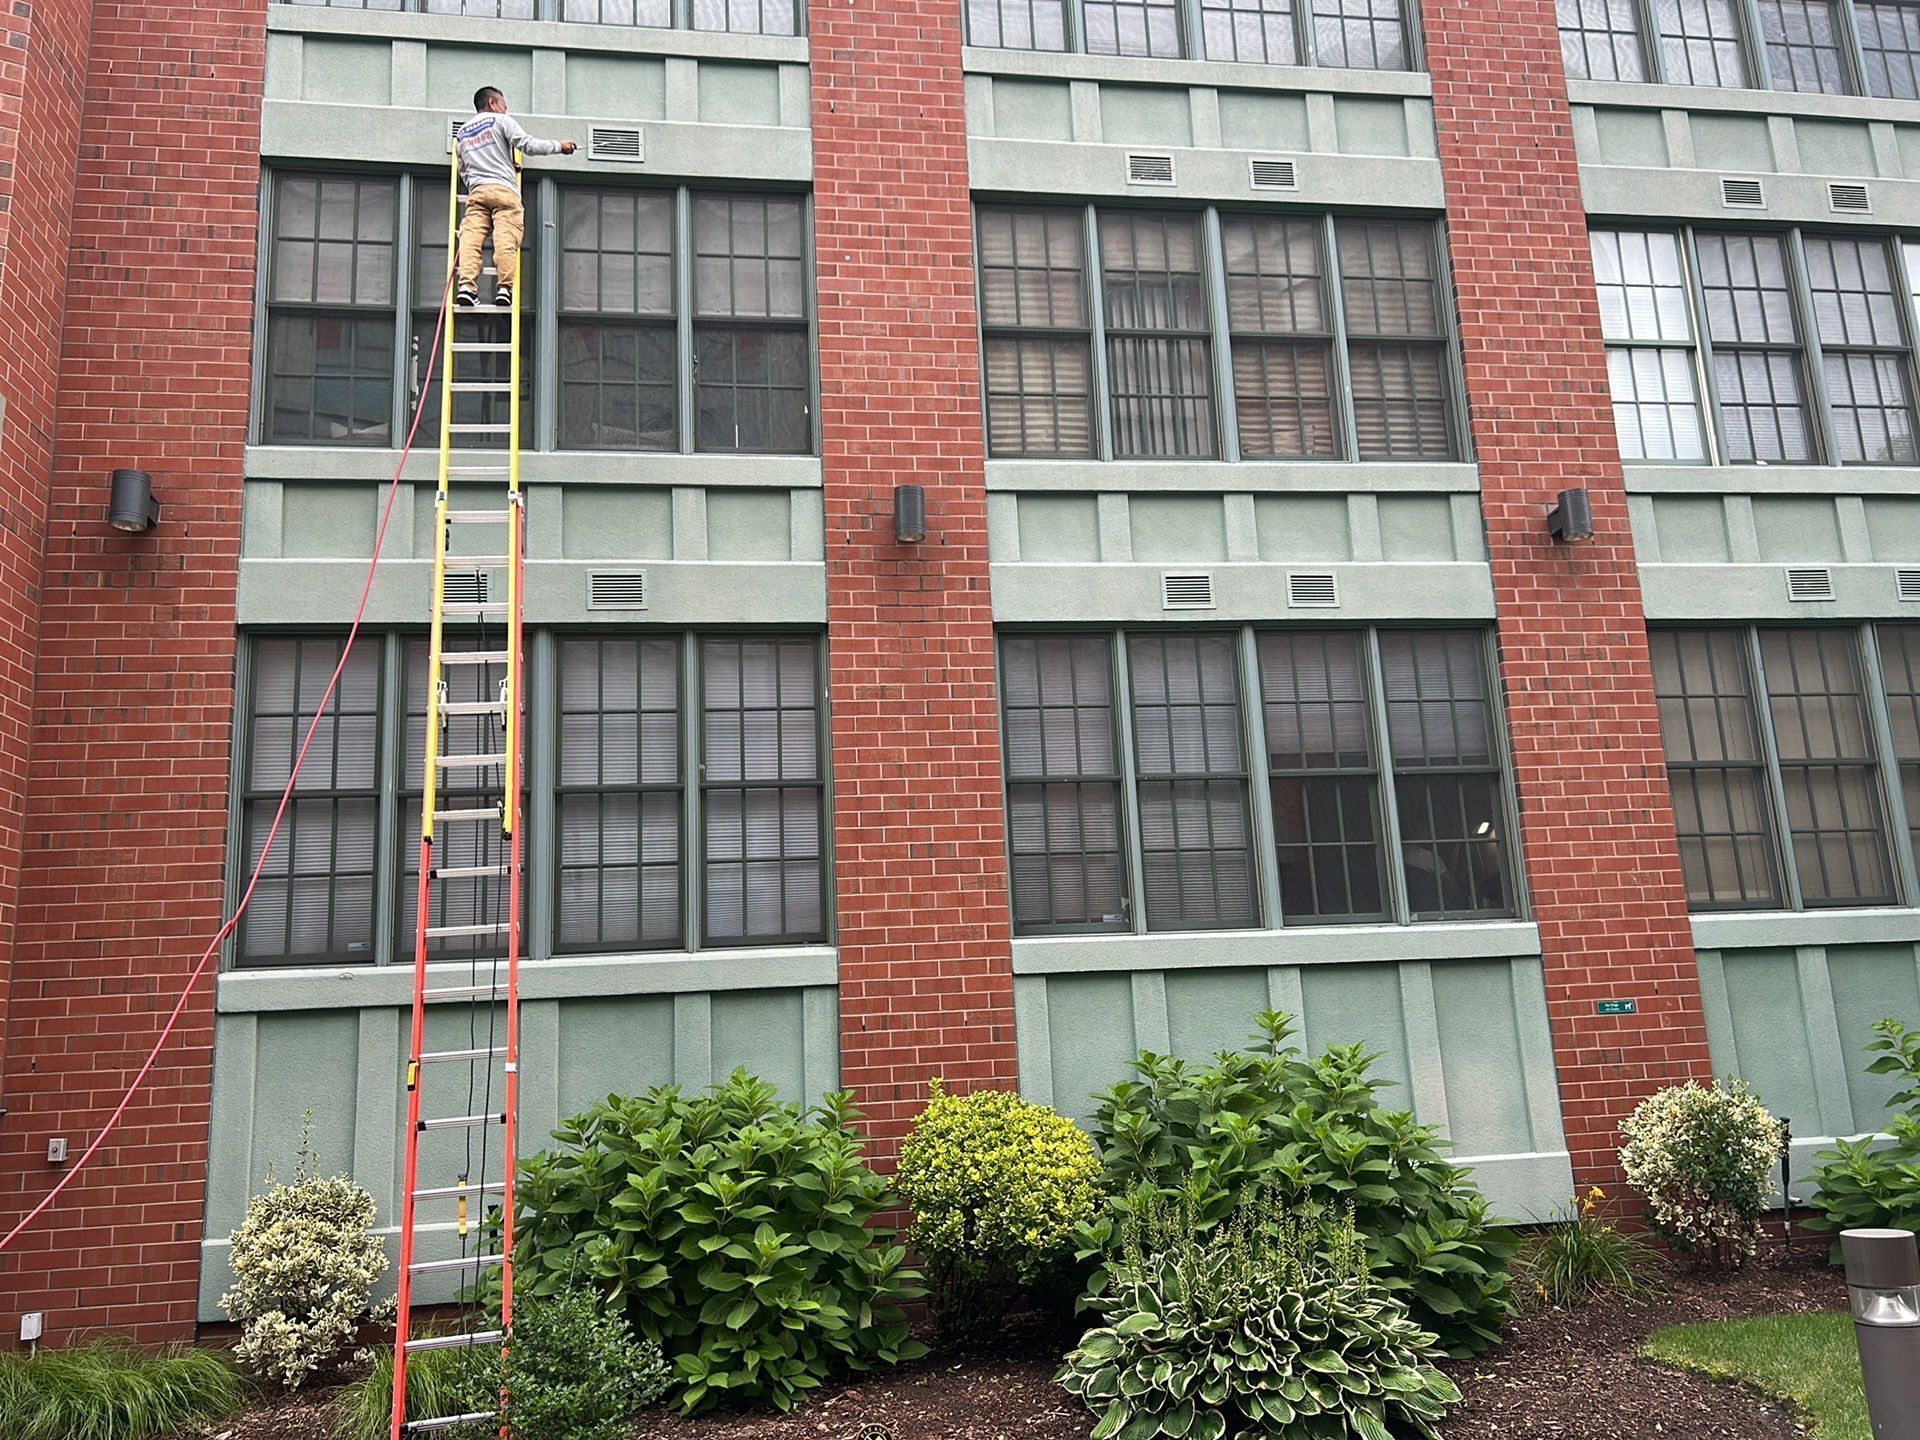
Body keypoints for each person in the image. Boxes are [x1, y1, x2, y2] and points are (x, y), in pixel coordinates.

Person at [453, 87, 577, 310]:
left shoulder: (462, 133)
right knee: (506, 238)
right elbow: (528, 145)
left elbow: (464, 170)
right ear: (492, 103)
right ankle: (504, 289)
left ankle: (467, 287)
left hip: (478, 193)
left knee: (470, 238)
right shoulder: (501, 121)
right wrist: (560, 146)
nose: (505, 109)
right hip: (504, 191)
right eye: (503, 105)